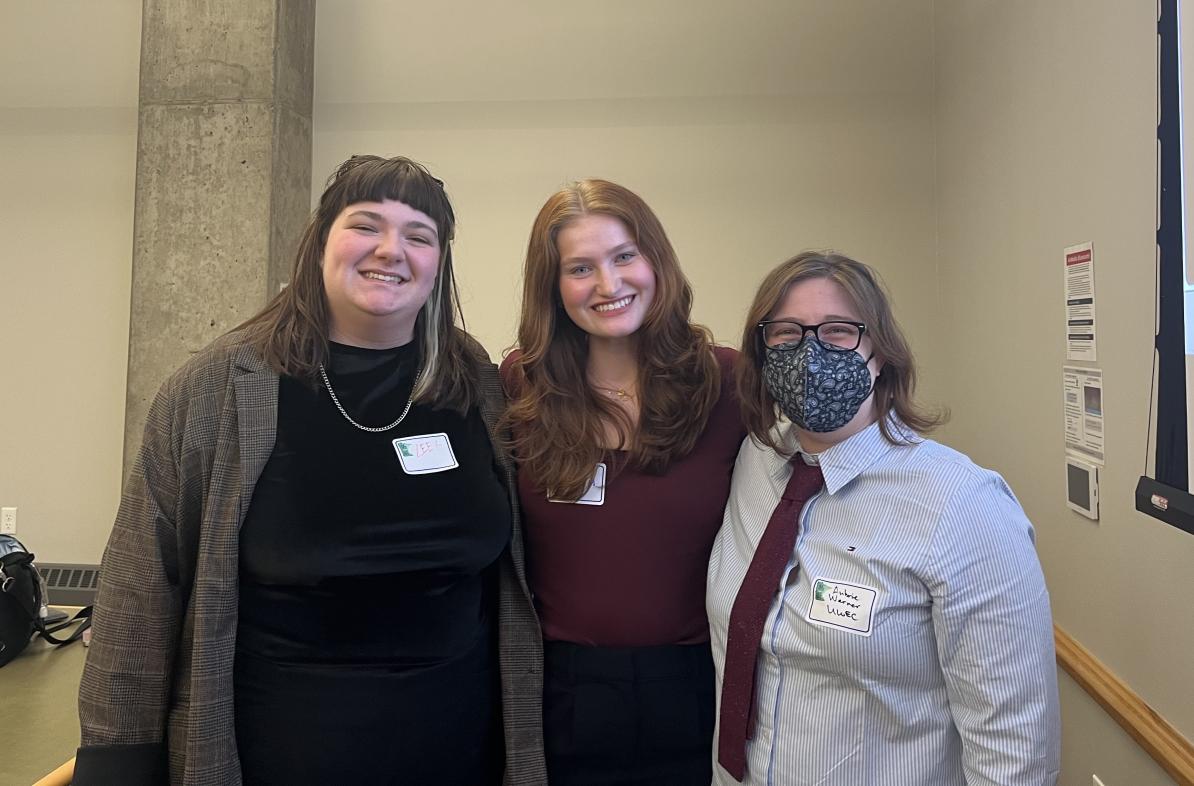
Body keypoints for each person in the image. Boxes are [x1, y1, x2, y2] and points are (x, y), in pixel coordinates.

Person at [75, 155, 545, 785]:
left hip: (459, 749)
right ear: (320, 241)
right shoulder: (217, 389)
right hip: (278, 750)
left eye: (418, 235)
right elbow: (141, 580)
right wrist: (117, 758)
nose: (391, 249)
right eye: (366, 224)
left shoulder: (473, 382)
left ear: (440, 262)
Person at [707, 251, 1060, 785]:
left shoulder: (963, 506)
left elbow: (1014, 751)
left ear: (880, 353)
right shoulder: (754, 462)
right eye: (786, 333)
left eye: (838, 331)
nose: (810, 353)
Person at [500, 179, 746, 785]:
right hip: (559, 692)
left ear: (655, 260)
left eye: (624, 257)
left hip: (693, 687)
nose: (609, 286)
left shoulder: (727, 384)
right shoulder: (520, 387)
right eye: (580, 268)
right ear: (553, 289)